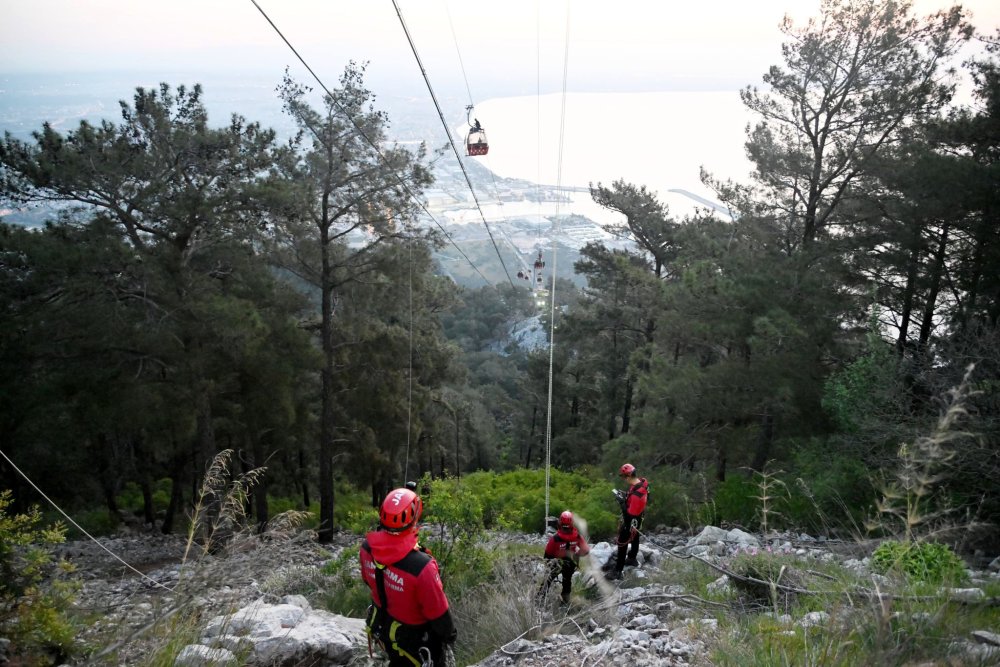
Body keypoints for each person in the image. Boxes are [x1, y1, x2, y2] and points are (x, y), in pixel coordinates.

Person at [360, 487, 457, 666]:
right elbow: (439, 615)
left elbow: (368, 580)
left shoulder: (367, 548)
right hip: (417, 642)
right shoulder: (422, 567)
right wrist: (450, 636)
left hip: (385, 627)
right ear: (415, 517)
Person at [538, 510, 590, 605]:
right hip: (569, 563)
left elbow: (547, 554)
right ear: (572, 523)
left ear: (560, 523)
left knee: (547, 581)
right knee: (567, 583)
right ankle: (565, 602)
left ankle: (540, 600)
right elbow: (586, 550)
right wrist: (577, 554)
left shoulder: (555, 538)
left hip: (555, 563)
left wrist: (548, 565)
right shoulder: (577, 536)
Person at [608, 463, 649, 580]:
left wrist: (621, 502)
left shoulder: (637, 494)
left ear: (629, 476)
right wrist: (625, 495)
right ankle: (632, 558)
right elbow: (633, 499)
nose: (624, 479)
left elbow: (629, 516)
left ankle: (618, 571)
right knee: (635, 535)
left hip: (632, 519)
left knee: (622, 542)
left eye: (624, 477)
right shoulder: (640, 484)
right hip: (639, 517)